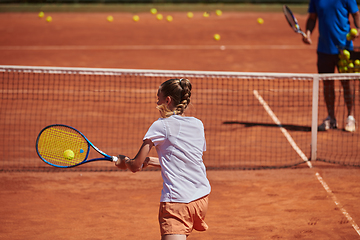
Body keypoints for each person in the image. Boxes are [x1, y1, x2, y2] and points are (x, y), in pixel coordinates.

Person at [115, 78, 211, 240]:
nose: (156, 102)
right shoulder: (198, 124)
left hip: (178, 202)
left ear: (167, 100)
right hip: (201, 200)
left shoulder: (160, 125)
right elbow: (187, 161)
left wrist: (124, 161)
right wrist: (151, 161)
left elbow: (135, 166)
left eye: (158, 98)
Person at [302, 0, 360, 132]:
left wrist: (358, 29)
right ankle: (331, 118)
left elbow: (356, 14)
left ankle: (350, 117)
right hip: (324, 48)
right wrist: (308, 33)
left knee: (347, 83)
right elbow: (312, 18)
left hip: (345, 49)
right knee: (327, 83)